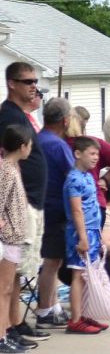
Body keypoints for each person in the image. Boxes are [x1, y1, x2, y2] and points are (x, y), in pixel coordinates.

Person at [0, 63, 49, 337]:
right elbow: (7, 159)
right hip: (22, 203)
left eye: (35, 81)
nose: (33, 86)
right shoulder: (8, 116)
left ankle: (14, 321)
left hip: (32, 202)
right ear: (11, 83)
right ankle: (7, 325)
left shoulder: (23, 115)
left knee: (22, 269)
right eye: (27, 81)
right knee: (13, 271)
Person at [35, 98, 77, 329]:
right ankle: (45, 310)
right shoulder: (58, 146)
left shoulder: (38, 140)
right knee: (52, 262)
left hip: (42, 208)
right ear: (65, 120)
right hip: (55, 211)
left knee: (51, 261)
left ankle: (51, 306)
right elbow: (73, 176)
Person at [64, 137, 105, 334]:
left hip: (93, 230)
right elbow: (77, 210)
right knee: (78, 275)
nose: (96, 157)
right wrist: (82, 237)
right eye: (91, 153)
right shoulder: (74, 179)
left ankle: (86, 313)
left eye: (97, 154)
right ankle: (76, 318)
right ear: (78, 154)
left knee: (89, 275)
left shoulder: (89, 176)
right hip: (80, 232)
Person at [1, 124, 33, 354]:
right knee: (3, 290)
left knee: (9, 289)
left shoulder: (12, 169)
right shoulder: (6, 170)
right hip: (8, 238)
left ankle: (5, 330)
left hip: (14, 237)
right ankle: (1, 335)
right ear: (22, 147)